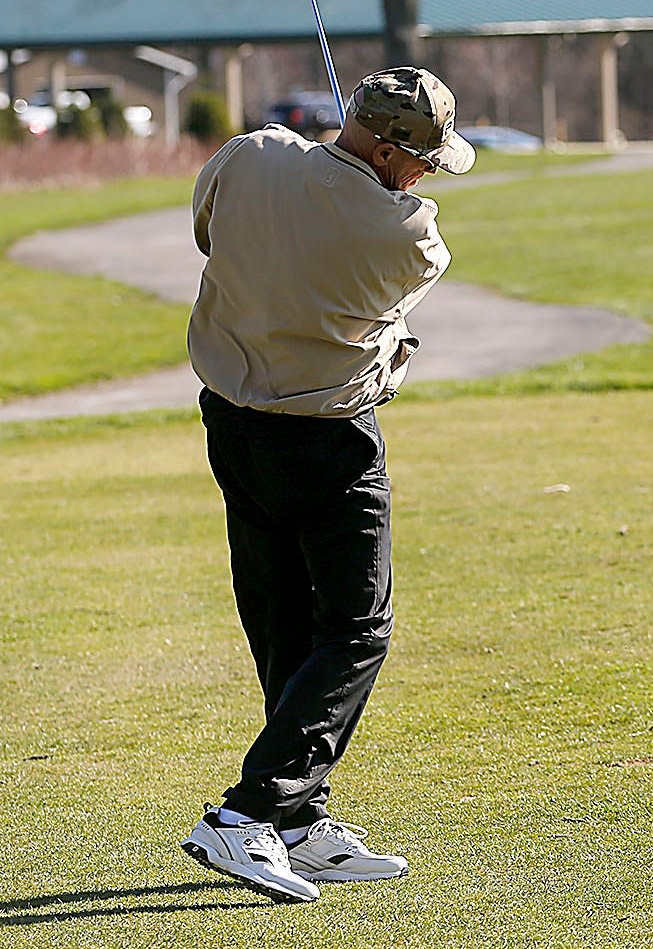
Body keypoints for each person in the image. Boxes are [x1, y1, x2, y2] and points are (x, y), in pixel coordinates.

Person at [178, 66, 475, 903]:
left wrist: (307, 174)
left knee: (283, 619)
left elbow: (211, 236)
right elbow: (393, 313)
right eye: (419, 159)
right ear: (385, 150)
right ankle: (249, 815)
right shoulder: (411, 235)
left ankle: (299, 819)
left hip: (233, 424)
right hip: (329, 443)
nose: (425, 175)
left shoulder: (249, 156)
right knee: (354, 628)